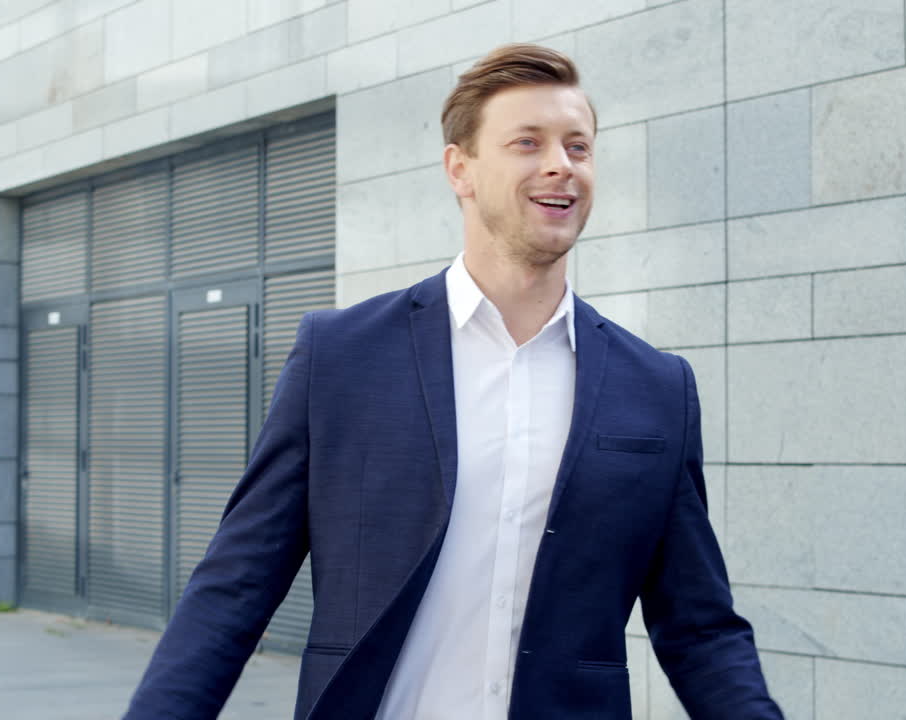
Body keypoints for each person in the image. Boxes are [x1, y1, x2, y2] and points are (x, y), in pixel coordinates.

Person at [124, 43, 782, 720]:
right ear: (459, 170)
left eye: (578, 146)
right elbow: (235, 587)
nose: (560, 163)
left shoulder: (657, 387)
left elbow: (699, 628)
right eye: (527, 142)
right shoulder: (342, 357)